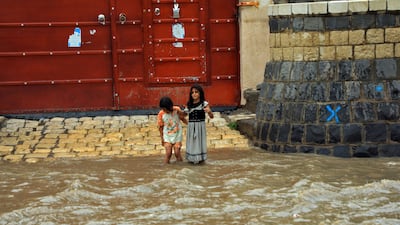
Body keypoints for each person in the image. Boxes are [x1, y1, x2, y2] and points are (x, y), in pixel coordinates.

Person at [184, 84, 214, 164]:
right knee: (191, 142)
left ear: (200, 93)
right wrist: (178, 111)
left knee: (200, 142)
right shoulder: (189, 104)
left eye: (196, 92)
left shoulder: (204, 104)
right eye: (192, 92)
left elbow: (211, 116)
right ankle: (191, 159)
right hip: (191, 127)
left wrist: (209, 111)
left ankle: (201, 160)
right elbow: (184, 115)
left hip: (200, 127)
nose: (194, 94)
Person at [157, 96, 187, 164]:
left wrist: (189, 124)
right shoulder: (161, 114)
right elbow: (160, 127)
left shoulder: (177, 110)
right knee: (168, 153)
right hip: (167, 135)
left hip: (177, 134)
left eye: (165, 109)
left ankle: (180, 166)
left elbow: (182, 118)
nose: (164, 111)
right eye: (163, 109)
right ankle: (166, 167)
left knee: (177, 152)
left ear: (170, 107)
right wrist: (162, 139)